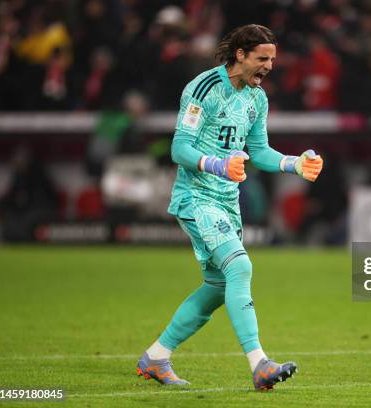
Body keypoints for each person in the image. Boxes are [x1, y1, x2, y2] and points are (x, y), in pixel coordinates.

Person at [136, 24, 323, 391]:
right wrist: (217, 164)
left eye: (273, 59)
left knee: (218, 287)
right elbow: (180, 149)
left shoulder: (257, 98)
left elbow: (259, 151)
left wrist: (293, 164)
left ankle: (156, 357)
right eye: (262, 58)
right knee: (240, 267)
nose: (269, 66)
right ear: (240, 55)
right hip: (196, 197)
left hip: (227, 201)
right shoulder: (204, 88)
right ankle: (260, 365)